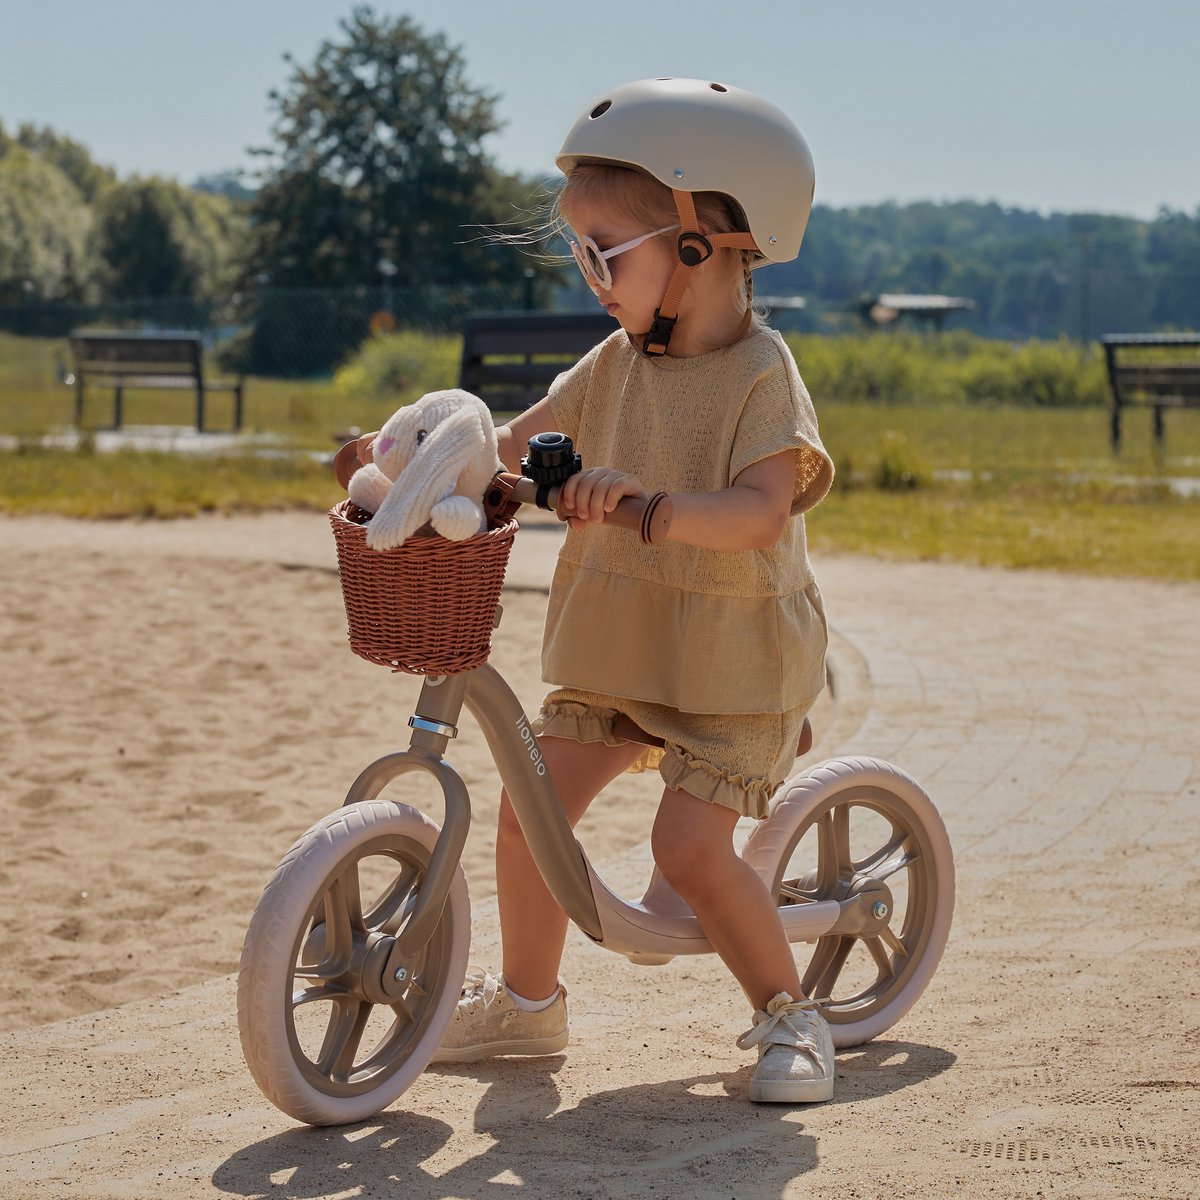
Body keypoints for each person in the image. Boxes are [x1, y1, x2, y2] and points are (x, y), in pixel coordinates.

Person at [373, 77, 836, 1103]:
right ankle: (528, 1006)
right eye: (579, 253)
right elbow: (507, 444)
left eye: (603, 252)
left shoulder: (761, 374)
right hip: (623, 652)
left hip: (729, 667)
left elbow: (761, 512)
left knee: (689, 848)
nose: (589, 277)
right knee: (529, 812)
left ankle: (790, 1016)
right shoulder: (615, 361)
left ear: (700, 244)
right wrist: (419, 465)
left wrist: (649, 506)